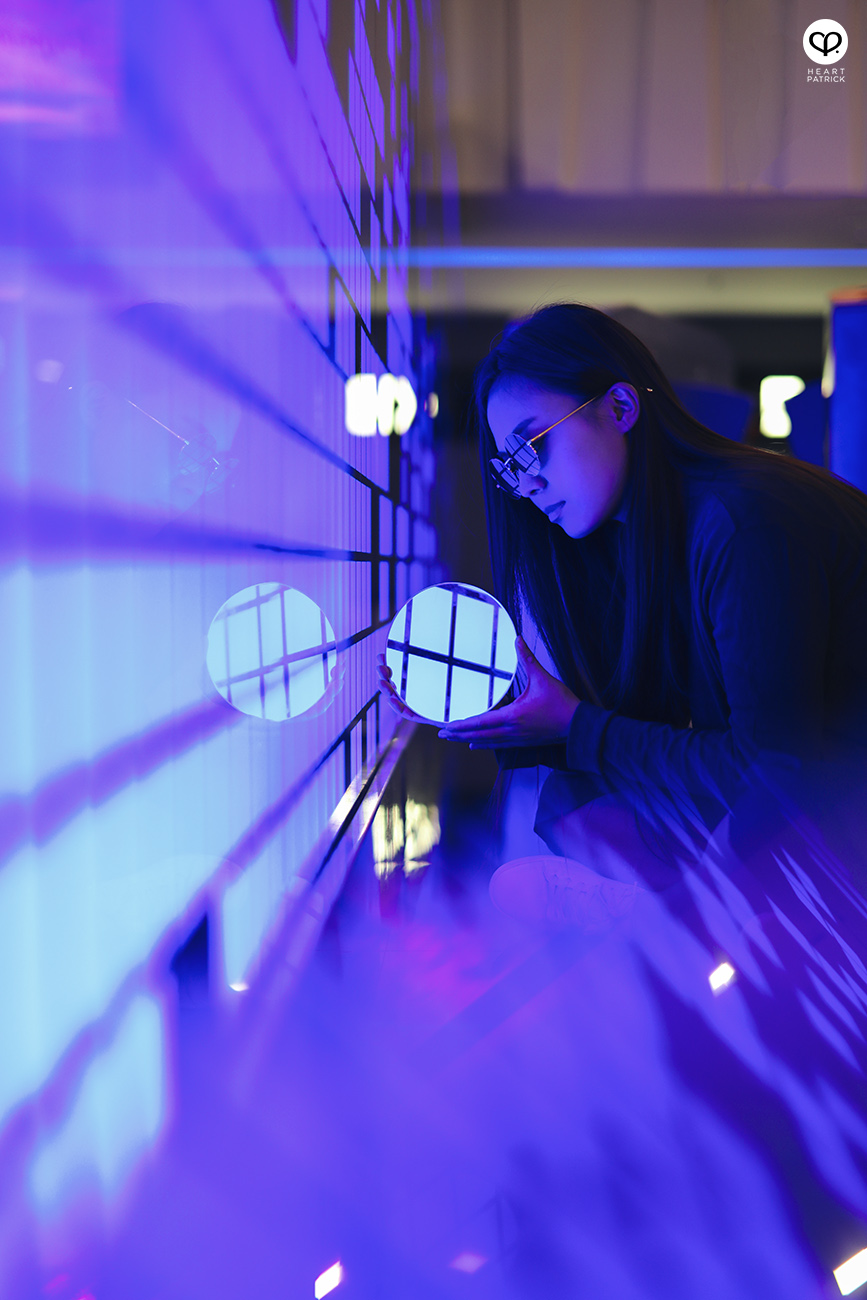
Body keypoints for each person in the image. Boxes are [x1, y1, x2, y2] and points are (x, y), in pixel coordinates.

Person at [378, 304, 867, 910]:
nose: (525, 485)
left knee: (541, 869)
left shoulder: (744, 523)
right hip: (814, 850)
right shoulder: (658, 535)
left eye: (530, 445)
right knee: (550, 839)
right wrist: (504, 712)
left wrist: (575, 726)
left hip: (834, 864)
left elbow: (772, 771)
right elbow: (685, 741)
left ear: (621, 407)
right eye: (508, 467)